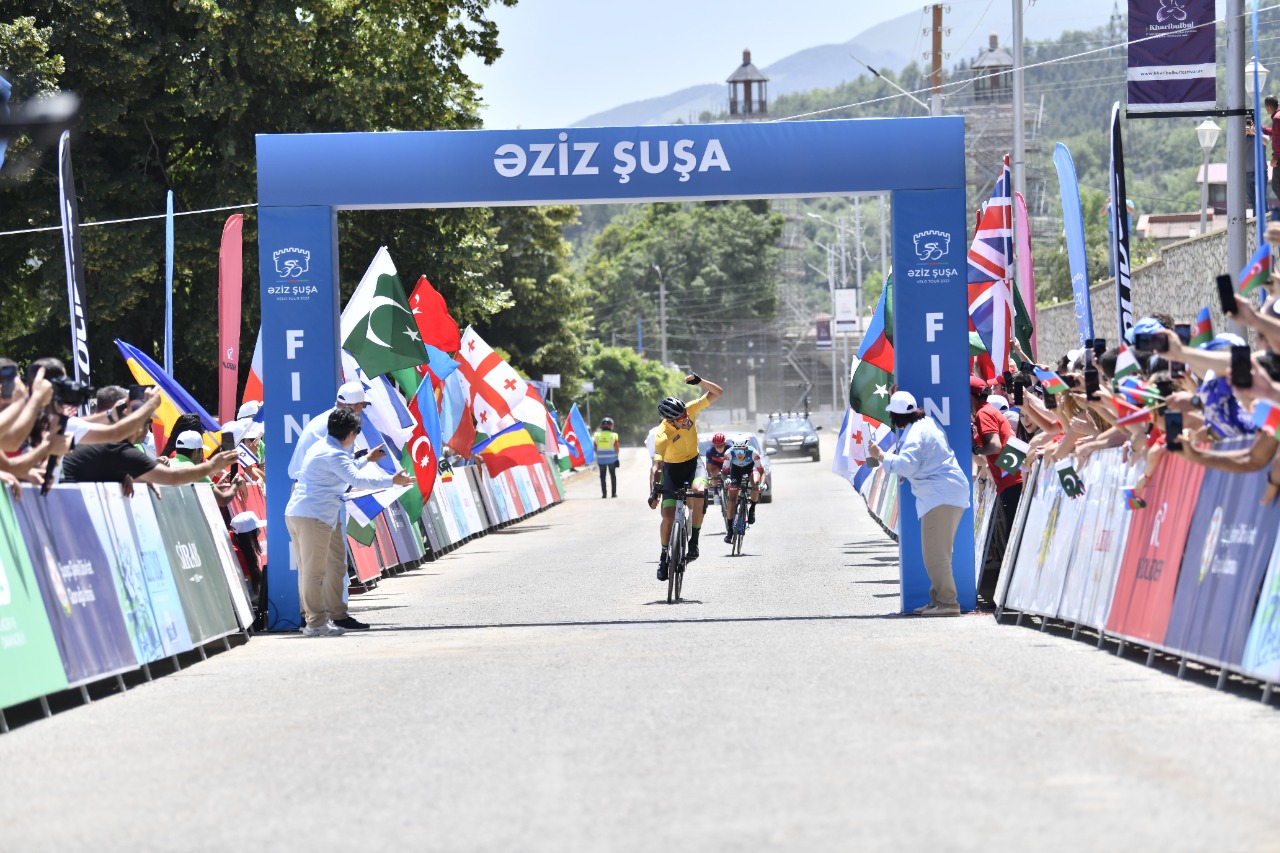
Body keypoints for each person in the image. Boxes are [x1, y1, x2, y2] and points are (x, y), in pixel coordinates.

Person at [285, 408, 413, 637]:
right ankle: (315, 623)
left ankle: (314, 620)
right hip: (314, 516)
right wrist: (392, 480)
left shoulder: (323, 446)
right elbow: (355, 478)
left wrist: (366, 459)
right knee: (314, 573)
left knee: (308, 571)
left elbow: (346, 468)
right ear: (350, 434)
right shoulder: (334, 454)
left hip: (301, 513)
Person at [866, 391, 970, 616]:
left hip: (939, 495)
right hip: (950, 493)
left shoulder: (914, 434)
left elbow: (907, 466)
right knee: (939, 552)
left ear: (895, 417)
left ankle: (948, 603)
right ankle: (937, 601)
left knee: (935, 555)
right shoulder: (927, 423)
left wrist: (881, 455)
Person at [647, 373, 723, 580]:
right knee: (668, 517)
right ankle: (664, 556)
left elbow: (718, 393)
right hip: (672, 470)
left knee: (698, 493)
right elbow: (656, 466)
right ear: (670, 422)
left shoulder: (688, 410)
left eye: (684, 414)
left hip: (693, 464)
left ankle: (694, 541)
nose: (686, 419)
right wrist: (653, 492)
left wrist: (700, 382)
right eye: (680, 418)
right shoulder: (662, 435)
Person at [60, 413, 236, 488]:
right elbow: (171, 478)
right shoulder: (125, 452)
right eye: (147, 425)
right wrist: (212, 466)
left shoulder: (115, 448)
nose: (148, 430)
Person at [287, 380, 384, 480]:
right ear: (357, 407)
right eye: (363, 406)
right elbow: (342, 469)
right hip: (314, 489)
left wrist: (356, 457)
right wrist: (367, 458)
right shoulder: (340, 424)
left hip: (309, 485)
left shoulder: (329, 419)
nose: (362, 409)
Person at [169, 430, 245, 506]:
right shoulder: (197, 472)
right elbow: (222, 500)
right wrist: (235, 486)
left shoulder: (165, 465)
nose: (202, 456)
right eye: (202, 451)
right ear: (196, 451)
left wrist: (215, 487)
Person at [721, 436, 764, 543]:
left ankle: (752, 508)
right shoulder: (728, 454)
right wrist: (726, 480)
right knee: (732, 500)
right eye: (736, 451)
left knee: (755, 483)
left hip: (750, 470)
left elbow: (762, 472)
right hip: (736, 472)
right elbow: (724, 473)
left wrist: (762, 484)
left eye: (741, 450)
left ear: (746, 449)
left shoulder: (753, 453)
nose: (739, 454)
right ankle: (730, 530)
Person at [593, 416, 620, 498]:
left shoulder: (597, 435)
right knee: (613, 476)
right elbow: (616, 448)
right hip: (612, 459)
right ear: (611, 425)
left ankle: (604, 494)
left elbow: (595, 448)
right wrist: (617, 457)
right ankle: (613, 493)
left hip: (601, 460)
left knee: (602, 477)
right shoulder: (614, 435)